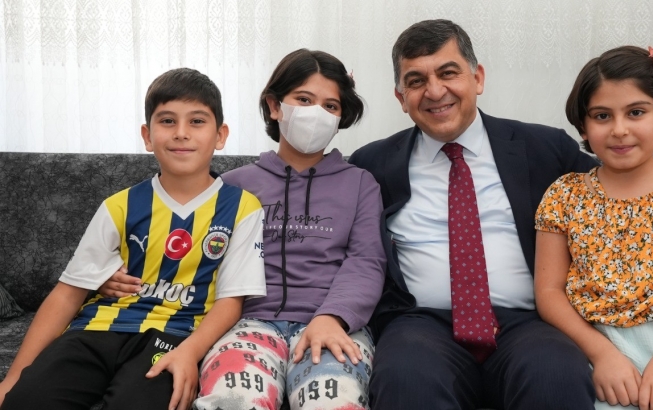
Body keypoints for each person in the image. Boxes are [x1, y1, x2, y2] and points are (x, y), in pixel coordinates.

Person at [347, 19, 653, 410]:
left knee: (555, 374)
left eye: (448, 73)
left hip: (526, 322)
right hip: (422, 324)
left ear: (477, 78)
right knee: (405, 378)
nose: (434, 91)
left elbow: (628, 185)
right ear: (400, 97)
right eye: (416, 81)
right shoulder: (373, 164)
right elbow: (325, 210)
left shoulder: (543, 147)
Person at [101, 49, 386, 410]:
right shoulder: (233, 186)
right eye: (304, 99)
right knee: (232, 400)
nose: (317, 113)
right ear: (274, 105)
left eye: (330, 106)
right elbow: (183, 247)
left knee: (334, 402)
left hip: (333, 325)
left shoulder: (360, 184)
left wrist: (333, 318)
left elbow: (366, 261)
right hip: (246, 323)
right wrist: (111, 276)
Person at [0, 68, 266, 410]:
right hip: (95, 330)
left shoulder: (242, 208)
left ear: (220, 135)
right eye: (167, 121)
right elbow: (67, 293)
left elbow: (231, 302)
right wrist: (13, 378)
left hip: (175, 337)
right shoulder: (119, 205)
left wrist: (190, 353)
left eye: (197, 121)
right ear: (147, 135)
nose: (181, 133)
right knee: (24, 402)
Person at [534, 46, 653, 410]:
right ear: (583, 126)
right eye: (602, 116)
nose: (619, 130)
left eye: (636, 112)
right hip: (601, 353)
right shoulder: (564, 195)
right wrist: (601, 354)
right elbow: (548, 291)